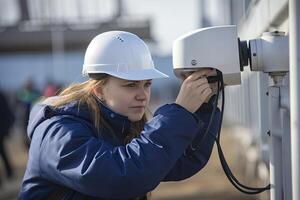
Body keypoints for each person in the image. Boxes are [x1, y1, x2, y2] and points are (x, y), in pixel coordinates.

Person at [19, 31, 221, 199]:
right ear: (98, 90)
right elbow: (123, 176)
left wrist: (203, 107)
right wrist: (180, 113)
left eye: (147, 84)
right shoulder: (57, 133)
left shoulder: (118, 123)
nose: (143, 95)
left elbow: (181, 159)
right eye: (130, 85)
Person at [0, 89, 15, 185]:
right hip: (2, 130)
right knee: (3, 152)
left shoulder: (1, 97)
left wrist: (6, 130)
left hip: (1, 131)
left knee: (3, 153)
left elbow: (8, 114)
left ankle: (9, 172)